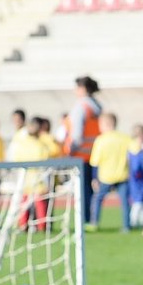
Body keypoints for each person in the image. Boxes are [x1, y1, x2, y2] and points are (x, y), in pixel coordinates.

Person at [64, 76, 103, 226]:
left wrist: (71, 151)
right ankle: (91, 218)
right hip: (94, 153)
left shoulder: (81, 106)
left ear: (83, 88)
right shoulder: (97, 106)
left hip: (80, 154)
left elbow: (77, 134)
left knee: (82, 190)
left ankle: (84, 219)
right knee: (91, 189)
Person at [88, 112, 136, 231]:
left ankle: (94, 223)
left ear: (105, 124)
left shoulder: (100, 140)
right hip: (122, 175)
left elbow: (95, 162)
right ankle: (126, 226)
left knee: (97, 199)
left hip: (105, 176)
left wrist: (94, 178)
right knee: (125, 201)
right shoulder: (124, 138)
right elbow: (136, 151)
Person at [126, 125, 143, 227]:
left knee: (142, 201)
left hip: (141, 179)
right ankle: (133, 222)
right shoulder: (136, 148)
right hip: (140, 180)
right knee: (138, 201)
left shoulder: (136, 148)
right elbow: (137, 167)